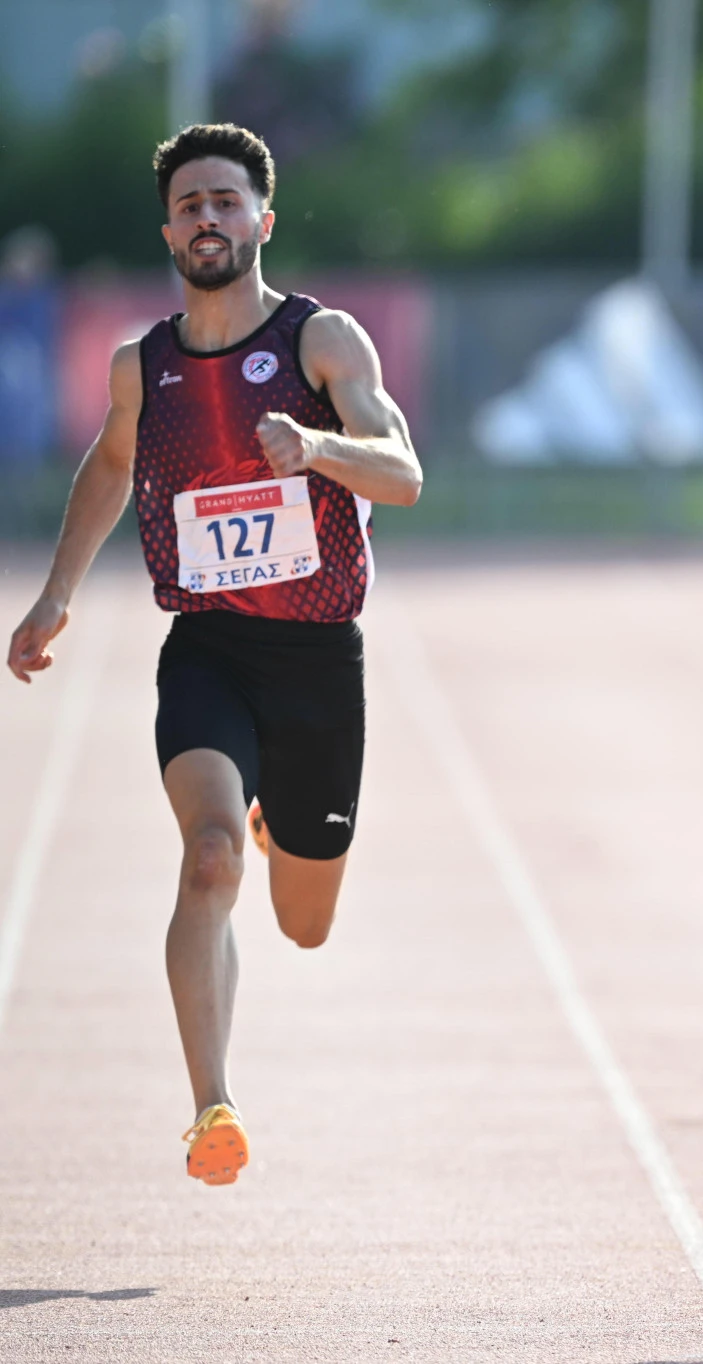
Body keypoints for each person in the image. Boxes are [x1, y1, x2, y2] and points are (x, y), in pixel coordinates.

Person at [6, 123, 421, 1185]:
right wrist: (54, 595)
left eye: (226, 202)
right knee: (206, 856)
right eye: (189, 204)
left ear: (262, 221)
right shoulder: (141, 365)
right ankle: (212, 1105)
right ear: (168, 228)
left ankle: (285, 815)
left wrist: (320, 444)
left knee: (305, 921)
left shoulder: (324, 340)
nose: (207, 219)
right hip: (208, 651)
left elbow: (404, 473)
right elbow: (106, 470)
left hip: (320, 661)